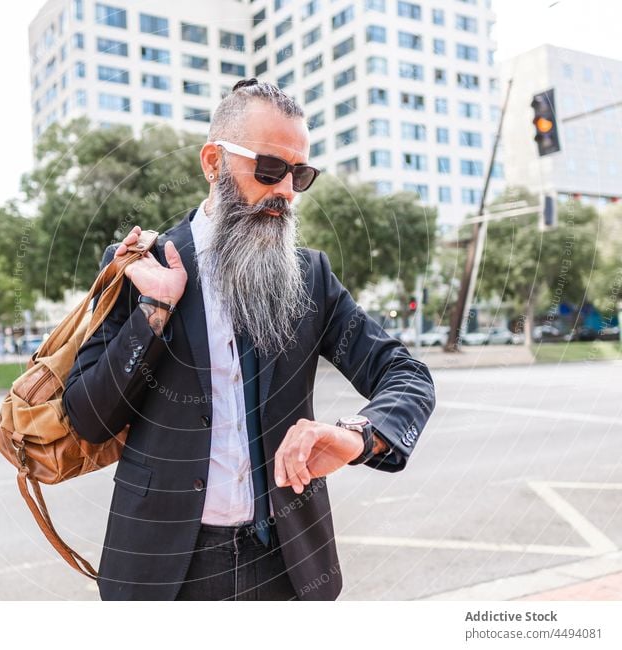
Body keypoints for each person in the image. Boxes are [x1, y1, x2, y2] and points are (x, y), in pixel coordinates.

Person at [63, 79, 435, 601]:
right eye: (269, 169)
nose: (285, 189)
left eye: (299, 174)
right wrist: (154, 309)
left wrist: (359, 435)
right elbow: (87, 416)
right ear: (213, 161)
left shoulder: (310, 277)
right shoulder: (137, 265)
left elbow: (406, 374)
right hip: (164, 571)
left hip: (286, 566)